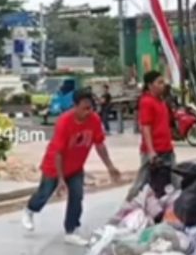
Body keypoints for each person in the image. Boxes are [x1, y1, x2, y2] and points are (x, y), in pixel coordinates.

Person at [21, 88, 122, 246]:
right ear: (75, 106)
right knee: (44, 193)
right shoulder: (64, 122)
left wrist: (110, 166)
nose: (89, 112)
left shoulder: (94, 120)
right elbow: (58, 153)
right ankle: (30, 210)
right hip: (54, 166)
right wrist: (61, 179)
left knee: (77, 196)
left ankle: (71, 230)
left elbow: (99, 144)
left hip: (75, 168)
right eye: (84, 108)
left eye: (91, 108)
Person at [125, 71, 175, 201]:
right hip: (153, 151)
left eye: (162, 82)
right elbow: (145, 127)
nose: (163, 85)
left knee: (170, 181)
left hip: (166, 148)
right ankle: (127, 206)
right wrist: (151, 151)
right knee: (142, 183)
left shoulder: (161, 102)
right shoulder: (147, 102)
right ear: (150, 85)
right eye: (159, 82)